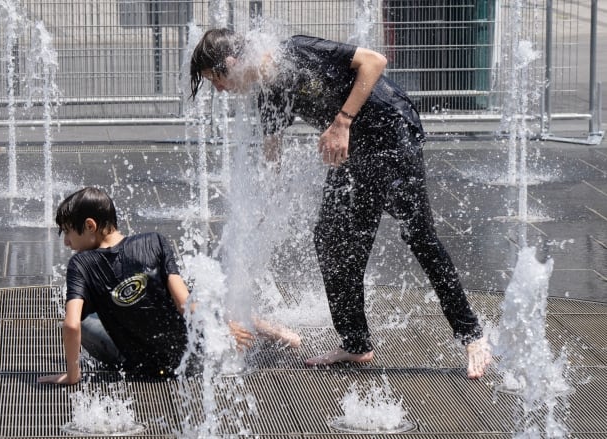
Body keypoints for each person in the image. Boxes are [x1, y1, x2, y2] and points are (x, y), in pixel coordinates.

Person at [189, 28, 491, 379]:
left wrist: (342, 122)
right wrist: (267, 205)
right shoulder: (265, 91)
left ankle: (472, 336)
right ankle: (355, 343)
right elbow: (273, 149)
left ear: (232, 63)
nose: (221, 90)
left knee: (419, 236)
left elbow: (374, 61)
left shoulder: (297, 50)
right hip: (352, 150)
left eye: (216, 80)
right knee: (331, 240)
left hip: (390, 132)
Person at [38, 187, 301, 384]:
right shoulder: (155, 241)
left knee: (85, 322)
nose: (67, 244)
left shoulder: (81, 264)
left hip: (142, 367)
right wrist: (219, 328)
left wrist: (72, 376)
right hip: (188, 356)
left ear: (90, 225)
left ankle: (242, 324)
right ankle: (254, 325)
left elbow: (71, 325)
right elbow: (186, 306)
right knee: (199, 289)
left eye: (68, 233)